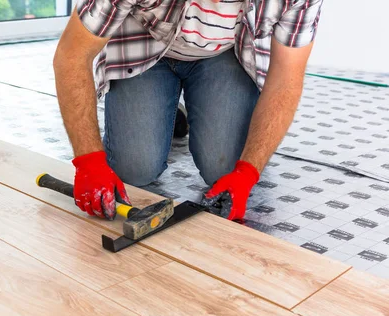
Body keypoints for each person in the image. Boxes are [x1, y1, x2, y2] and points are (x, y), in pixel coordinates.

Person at [53, 0, 323, 221]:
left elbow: (285, 81)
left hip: (222, 54)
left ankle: (177, 111)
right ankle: (168, 112)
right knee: (135, 171)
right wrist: (89, 161)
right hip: (144, 46)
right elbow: (71, 55)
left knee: (225, 171)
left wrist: (248, 171)